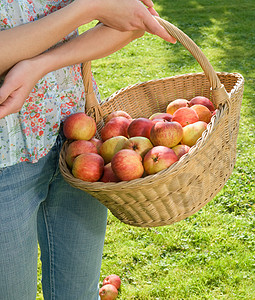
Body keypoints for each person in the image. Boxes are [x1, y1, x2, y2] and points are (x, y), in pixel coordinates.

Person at [0, 0, 176, 299]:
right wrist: (89, 7)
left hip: (79, 141)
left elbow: (137, 20)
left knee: (79, 293)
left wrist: (39, 65)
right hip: (6, 157)